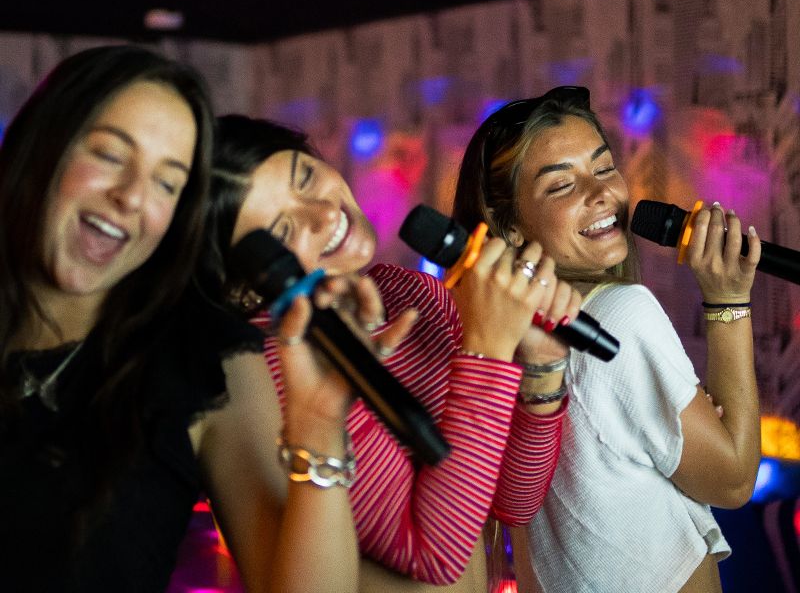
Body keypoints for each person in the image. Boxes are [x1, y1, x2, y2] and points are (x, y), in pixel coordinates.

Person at [0, 46, 361, 593]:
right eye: (109, 155)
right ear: (39, 148)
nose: (131, 197)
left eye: (167, 182)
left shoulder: (205, 357)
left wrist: (319, 433)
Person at [198, 113, 584, 593]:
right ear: (242, 289)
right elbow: (434, 557)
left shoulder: (410, 290)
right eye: (281, 230)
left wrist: (542, 366)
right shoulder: (283, 361)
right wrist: (486, 349)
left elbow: (513, 502)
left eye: (306, 177)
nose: (323, 213)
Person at [452, 85, 762, 593]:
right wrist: (728, 301)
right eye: (561, 186)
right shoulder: (620, 317)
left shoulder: (504, 347)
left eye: (603, 168)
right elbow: (732, 480)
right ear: (507, 225)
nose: (600, 195)